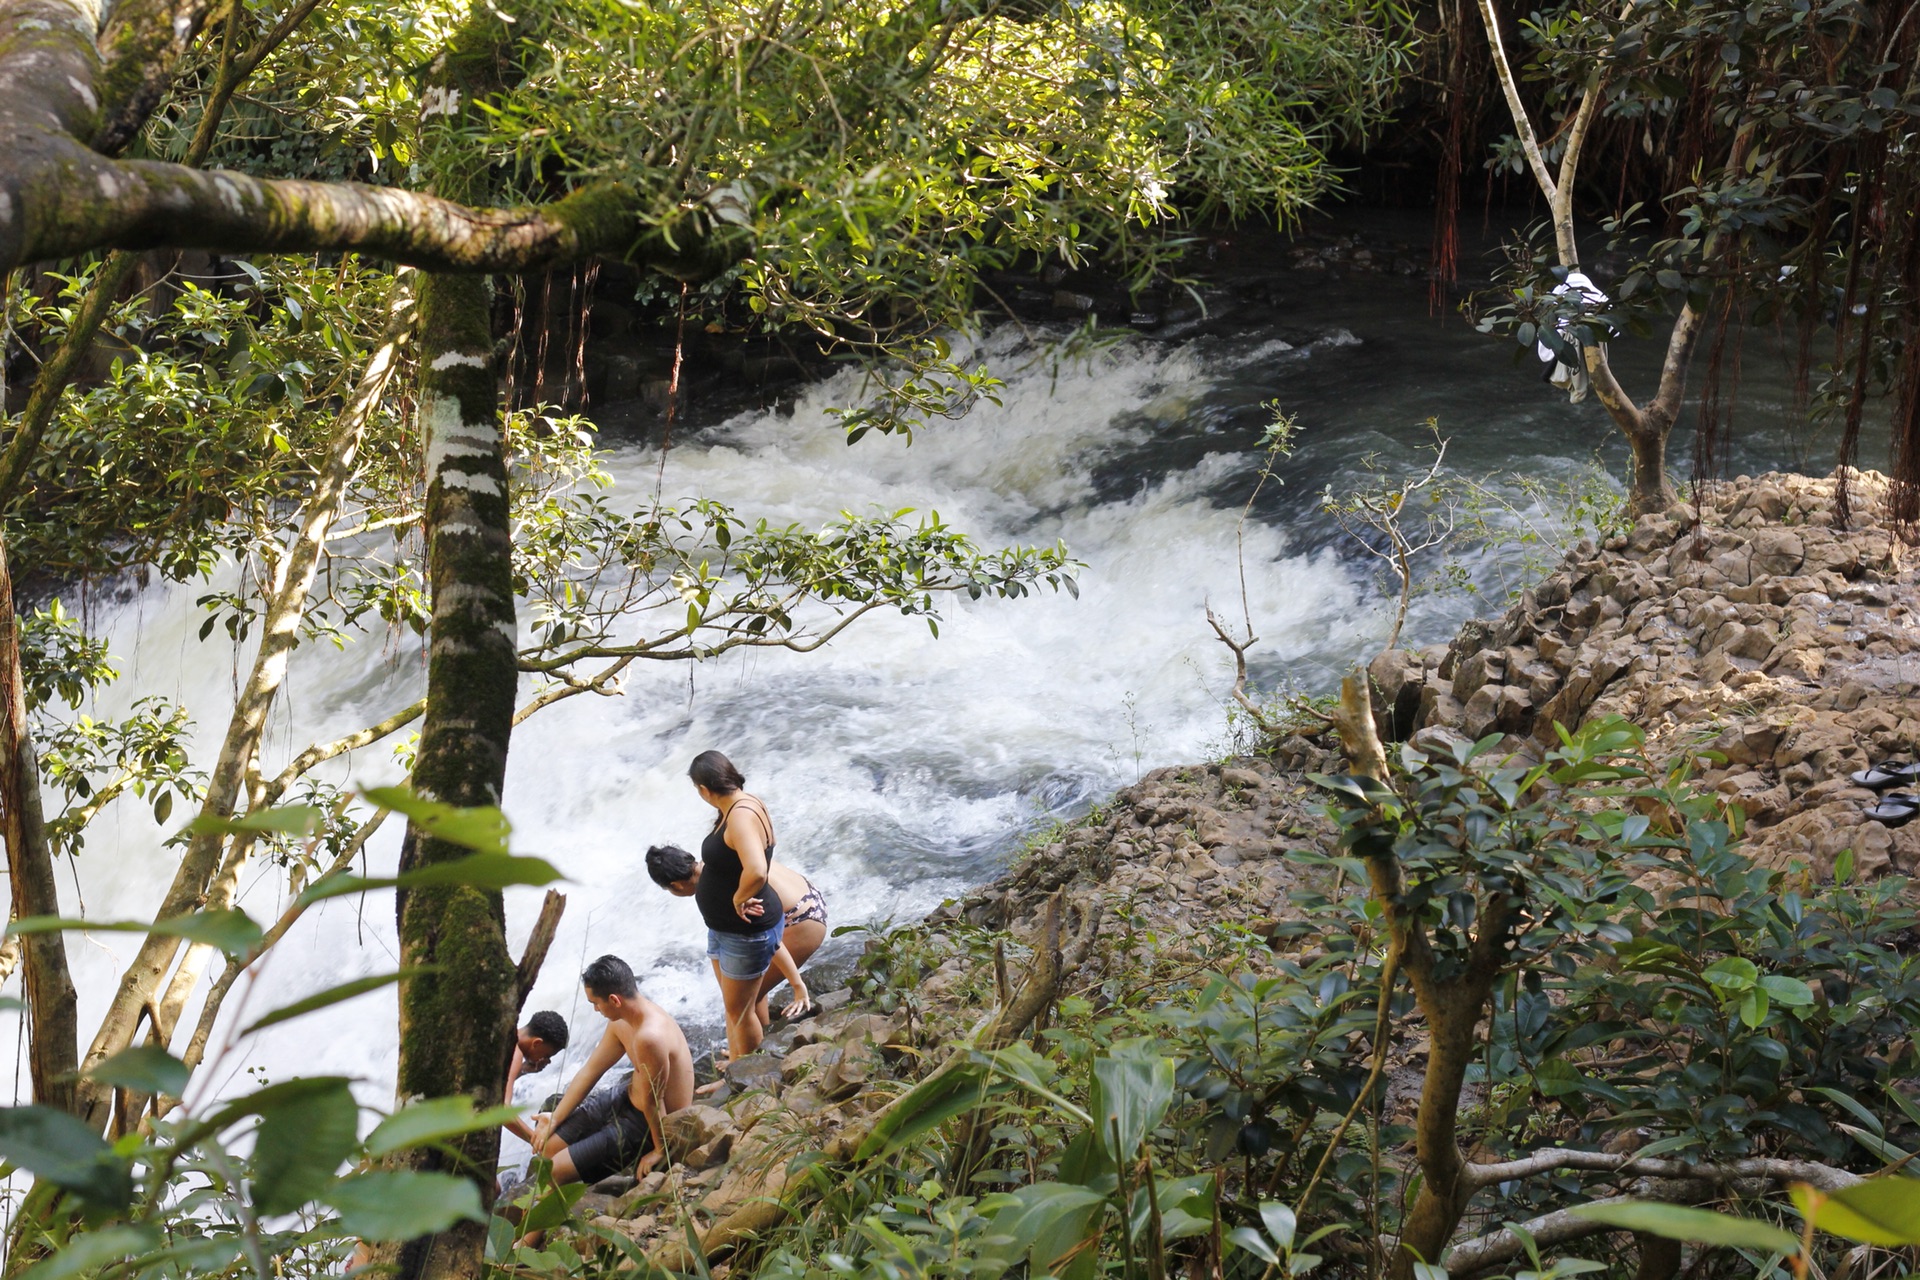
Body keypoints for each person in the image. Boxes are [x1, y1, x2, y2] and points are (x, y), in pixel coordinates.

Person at [528, 955, 693, 1186]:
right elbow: (591, 1071)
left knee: (554, 1170)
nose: (596, 1009)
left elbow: (653, 1103)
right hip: (628, 1096)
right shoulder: (622, 1020)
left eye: (596, 1003)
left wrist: (661, 1150)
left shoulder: (650, 1036)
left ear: (614, 1000)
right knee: (547, 1148)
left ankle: (558, 1210)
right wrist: (555, 1118)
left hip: (650, 1121)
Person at [684, 749, 790, 1064]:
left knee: (740, 1011)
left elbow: (757, 870)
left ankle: (745, 1078)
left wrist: (738, 897)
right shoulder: (745, 803)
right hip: (728, 930)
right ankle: (738, 1060)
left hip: (745, 932)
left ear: (704, 789)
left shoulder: (741, 816)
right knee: (737, 1008)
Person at [646, 842, 824, 1028]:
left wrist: (797, 985)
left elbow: (768, 938)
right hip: (805, 893)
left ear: (676, 885)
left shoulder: (716, 892)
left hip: (803, 921)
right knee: (751, 988)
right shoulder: (714, 860)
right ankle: (763, 1035)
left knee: (745, 998)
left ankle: (756, 1048)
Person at [502, 1010, 569, 1145]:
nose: (546, 1060)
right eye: (547, 1055)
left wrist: (522, 1070)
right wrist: (535, 1140)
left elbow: (496, 1085)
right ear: (537, 1043)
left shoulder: (505, 1035)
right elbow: (502, 1110)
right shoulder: (516, 1052)